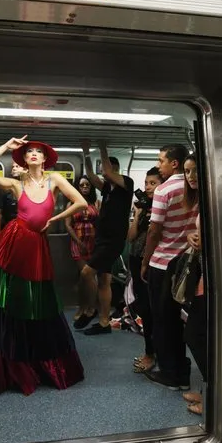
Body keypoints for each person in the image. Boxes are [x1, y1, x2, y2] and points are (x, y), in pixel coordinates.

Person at [0, 136, 87, 396]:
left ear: (45, 158)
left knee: (37, 300)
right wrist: (4, 147)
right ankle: (10, 365)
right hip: (14, 242)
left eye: (38, 151)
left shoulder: (55, 180)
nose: (34, 154)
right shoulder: (16, 184)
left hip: (37, 245)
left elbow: (81, 202)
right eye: (29, 152)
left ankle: (38, 362)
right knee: (9, 300)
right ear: (23, 159)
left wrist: (55, 218)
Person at [141, 145, 198, 390]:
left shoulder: (164, 190)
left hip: (163, 263)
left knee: (163, 321)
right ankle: (182, 372)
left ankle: (171, 374)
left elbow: (154, 231)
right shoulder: (195, 188)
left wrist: (145, 261)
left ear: (174, 163)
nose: (159, 165)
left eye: (161, 160)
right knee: (178, 319)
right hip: (187, 261)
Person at [79, 139, 134, 335]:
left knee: (87, 273)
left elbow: (107, 173)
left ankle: (91, 310)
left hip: (112, 242)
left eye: (109, 168)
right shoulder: (107, 189)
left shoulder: (126, 184)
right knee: (104, 280)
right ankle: (104, 322)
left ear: (116, 169)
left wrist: (102, 147)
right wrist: (86, 151)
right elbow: (92, 175)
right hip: (102, 240)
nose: (105, 171)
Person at [127, 167, 162, 373]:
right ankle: (150, 351)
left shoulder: (161, 208)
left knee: (151, 312)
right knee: (143, 308)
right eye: (147, 183)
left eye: (153, 183)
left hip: (149, 263)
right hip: (135, 259)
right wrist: (137, 213)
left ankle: (152, 354)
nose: (148, 187)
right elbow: (131, 237)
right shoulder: (143, 208)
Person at [181, 154, 206, 415]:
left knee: (195, 335)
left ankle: (214, 396)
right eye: (188, 172)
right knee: (201, 335)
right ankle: (210, 389)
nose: (191, 177)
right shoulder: (202, 200)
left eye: (195, 170)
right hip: (204, 276)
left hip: (213, 280)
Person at [65, 175, 99, 328]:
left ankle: (88, 307)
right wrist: (78, 242)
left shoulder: (96, 203)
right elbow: (68, 225)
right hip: (77, 242)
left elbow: (100, 222)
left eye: (87, 185)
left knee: (85, 278)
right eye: (82, 185)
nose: (85, 187)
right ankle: (85, 307)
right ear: (77, 187)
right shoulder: (71, 203)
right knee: (85, 275)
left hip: (93, 242)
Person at [0, 161, 25, 235]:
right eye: (13, 167)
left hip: (25, 228)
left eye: (17, 166)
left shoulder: (30, 188)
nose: (14, 169)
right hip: (8, 228)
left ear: (25, 169)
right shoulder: (5, 188)